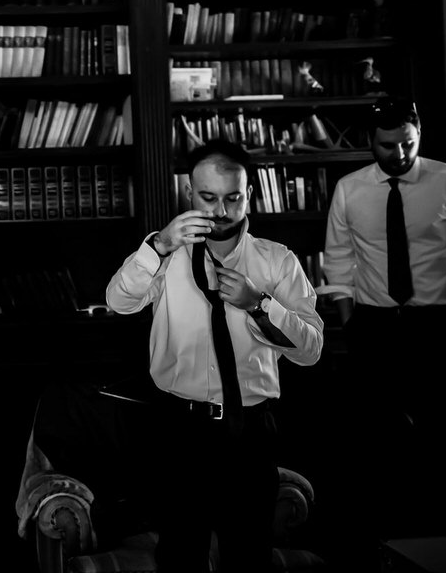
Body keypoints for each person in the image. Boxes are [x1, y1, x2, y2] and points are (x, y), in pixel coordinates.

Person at [104, 138, 323, 573]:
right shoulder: (165, 256)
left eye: (233, 198)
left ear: (249, 194)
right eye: (208, 198)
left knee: (249, 555)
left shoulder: (277, 261)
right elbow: (119, 302)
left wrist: (259, 304)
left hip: (251, 432)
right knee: (180, 555)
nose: (221, 211)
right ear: (189, 192)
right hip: (178, 429)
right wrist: (158, 245)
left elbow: (311, 350)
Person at [323, 94, 446, 538]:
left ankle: (445, 545)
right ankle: (389, 544)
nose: (399, 154)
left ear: (419, 134)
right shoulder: (349, 189)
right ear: (370, 140)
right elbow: (339, 263)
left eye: (408, 143)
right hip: (374, 328)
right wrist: (351, 324)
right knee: (379, 446)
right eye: (388, 145)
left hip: (442, 327)